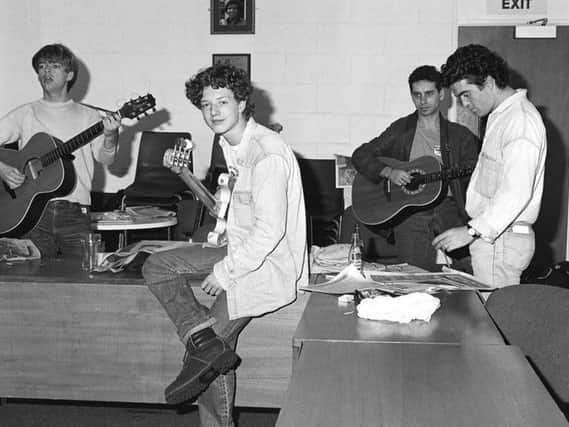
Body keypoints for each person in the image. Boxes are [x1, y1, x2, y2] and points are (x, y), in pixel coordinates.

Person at [141, 64, 308, 426]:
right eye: (205, 104)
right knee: (156, 265)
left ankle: (207, 364)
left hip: (267, 264)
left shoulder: (267, 154)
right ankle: (202, 343)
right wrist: (183, 175)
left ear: (243, 102)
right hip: (240, 249)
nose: (213, 111)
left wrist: (224, 272)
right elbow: (227, 210)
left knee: (208, 358)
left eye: (222, 101)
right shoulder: (232, 143)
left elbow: (269, 233)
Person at [432, 44, 547, 287]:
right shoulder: (501, 116)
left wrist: (471, 231)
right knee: (489, 314)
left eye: (466, 94)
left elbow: (516, 192)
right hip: (495, 237)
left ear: (490, 82)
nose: (464, 104)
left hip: (502, 240)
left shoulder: (520, 121)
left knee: (494, 317)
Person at [351, 65, 480, 272]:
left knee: (472, 267)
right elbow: (360, 155)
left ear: (442, 94)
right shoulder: (401, 129)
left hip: (449, 207)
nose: (423, 101)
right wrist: (389, 172)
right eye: (417, 95)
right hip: (410, 211)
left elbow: (479, 172)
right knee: (413, 274)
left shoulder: (460, 136)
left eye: (429, 94)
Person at [0, 43, 121, 257]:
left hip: (75, 211)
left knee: (81, 281)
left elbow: (105, 158)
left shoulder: (88, 116)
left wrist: (111, 136)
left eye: (54, 66)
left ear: (70, 74)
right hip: (30, 213)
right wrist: (2, 169)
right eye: (42, 66)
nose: (46, 71)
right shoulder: (25, 113)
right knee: (30, 282)